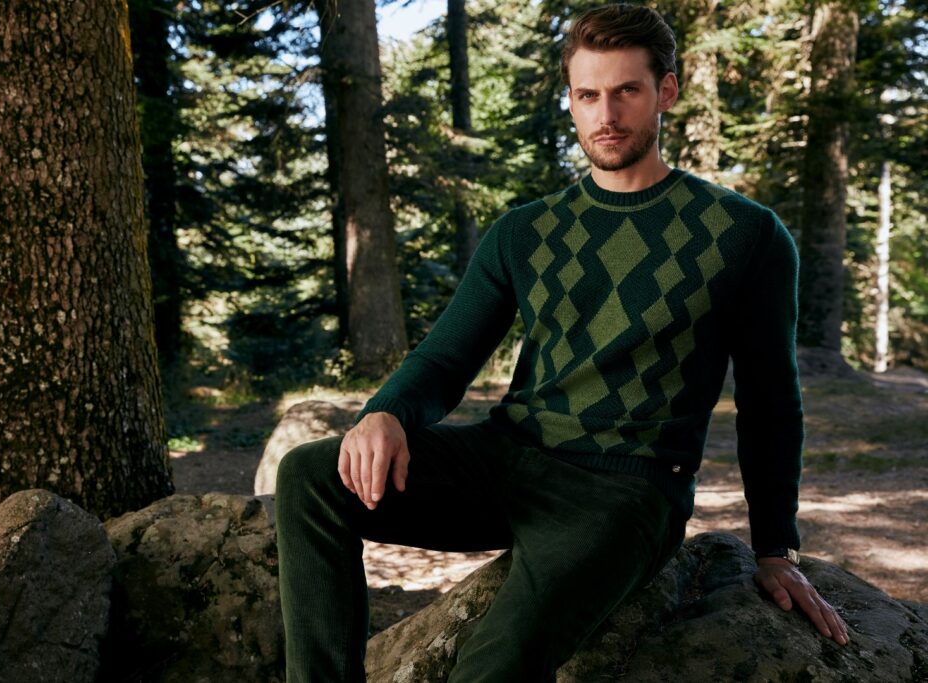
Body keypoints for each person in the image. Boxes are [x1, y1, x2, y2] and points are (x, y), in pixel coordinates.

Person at [275, 4, 849, 681]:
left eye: (626, 90)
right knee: (309, 475)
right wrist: (385, 412)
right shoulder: (525, 232)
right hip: (507, 458)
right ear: (571, 101)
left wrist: (776, 547)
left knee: (488, 670)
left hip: (627, 491)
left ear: (666, 91)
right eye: (588, 95)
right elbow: (446, 357)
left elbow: (770, 401)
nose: (606, 114)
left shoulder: (745, 235)